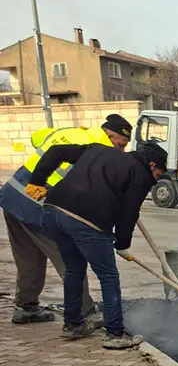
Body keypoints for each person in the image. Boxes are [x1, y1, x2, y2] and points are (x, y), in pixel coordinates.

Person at [24, 140, 167, 349]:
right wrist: (122, 244)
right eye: (158, 174)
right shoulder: (141, 174)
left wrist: (37, 180)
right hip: (87, 222)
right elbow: (128, 214)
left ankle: (73, 324)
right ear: (152, 164)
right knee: (109, 277)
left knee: (74, 270)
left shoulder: (97, 149)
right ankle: (115, 334)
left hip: (53, 212)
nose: (156, 180)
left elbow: (56, 151)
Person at [0, 115, 132, 325]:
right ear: (109, 136)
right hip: (37, 204)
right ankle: (85, 312)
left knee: (29, 258)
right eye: (121, 144)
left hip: (12, 196)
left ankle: (26, 307)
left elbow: (36, 138)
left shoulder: (69, 132)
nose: (121, 151)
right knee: (70, 259)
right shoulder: (97, 153)